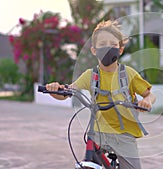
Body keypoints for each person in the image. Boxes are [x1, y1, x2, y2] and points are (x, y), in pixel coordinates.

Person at [46, 20, 156, 169]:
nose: (108, 47)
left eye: (113, 44)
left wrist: (147, 101)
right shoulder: (90, 75)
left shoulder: (128, 74)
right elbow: (67, 92)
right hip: (98, 132)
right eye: (102, 44)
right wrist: (56, 89)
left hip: (124, 134)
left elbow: (150, 94)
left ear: (120, 49)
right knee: (88, 162)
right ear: (94, 50)